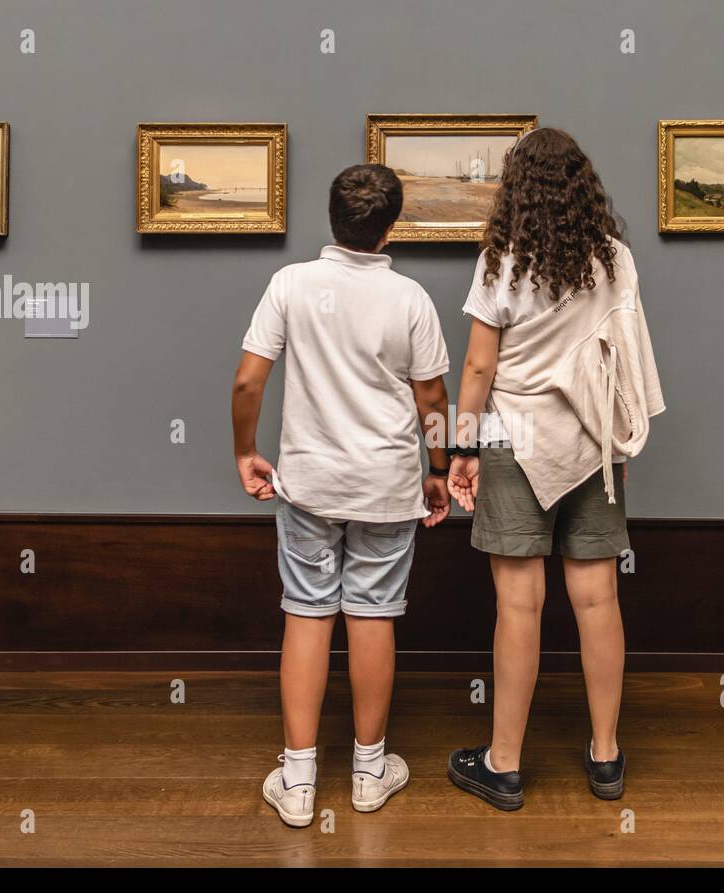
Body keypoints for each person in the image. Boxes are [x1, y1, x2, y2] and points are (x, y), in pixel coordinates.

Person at [445, 129, 665, 810]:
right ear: (583, 186)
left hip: (515, 441)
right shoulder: (616, 259)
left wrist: (460, 447)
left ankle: (504, 764)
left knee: (520, 603)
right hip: (594, 445)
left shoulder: (502, 259)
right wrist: (621, 446)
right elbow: (625, 355)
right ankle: (605, 756)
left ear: (517, 188)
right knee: (599, 600)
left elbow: (480, 366)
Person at [231, 164, 451, 827]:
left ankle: (298, 780)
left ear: (331, 218)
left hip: (309, 486)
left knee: (306, 612)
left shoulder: (290, 284)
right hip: (386, 486)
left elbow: (247, 382)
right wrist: (438, 468)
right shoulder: (410, 298)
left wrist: (245, 451)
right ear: (390, 226)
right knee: (373, 616)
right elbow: (433, 397)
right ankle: (368, 770)